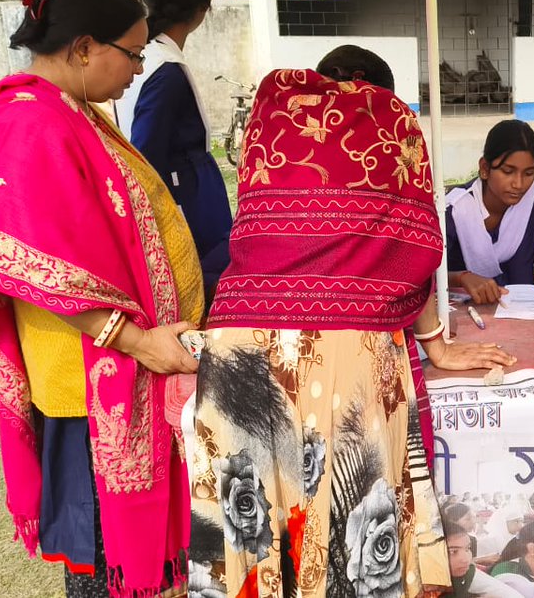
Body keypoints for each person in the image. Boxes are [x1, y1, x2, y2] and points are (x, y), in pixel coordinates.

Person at [186, 54, 515, 597]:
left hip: (236, 351)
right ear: (378, 98)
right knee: (345, 534)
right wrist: (438, 346)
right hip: (343, 353)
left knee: (250, 532)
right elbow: (413, 254)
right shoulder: (396, 126)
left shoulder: (272, 116)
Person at [0, 0, 202, 597]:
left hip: (108, 368)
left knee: (112, 559)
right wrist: (138, 341)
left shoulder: (69, 111)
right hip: (88, 381)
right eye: (133, 53)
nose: (137, 68)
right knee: (98, 563)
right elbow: (33, 265)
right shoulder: (28, 122)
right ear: (84, 48)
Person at [115, 0, 232, 297]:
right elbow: (148, 153)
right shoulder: (166, 69)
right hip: (188, 208)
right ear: (205, 3)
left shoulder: (140, 57)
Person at [446, 120, 534, 304]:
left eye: (528, 173)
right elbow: (421, 275)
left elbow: (522, 268)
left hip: (506, 306)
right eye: (508, 171)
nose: (519, 184)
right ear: (485, 169)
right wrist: (461, 277)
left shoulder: (527, 196)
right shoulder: (456, 210)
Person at [449, 523, 524, 598]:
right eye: (452, 552)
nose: (466, 559)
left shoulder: (467, 573)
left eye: (467, 548)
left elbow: (506, 593)